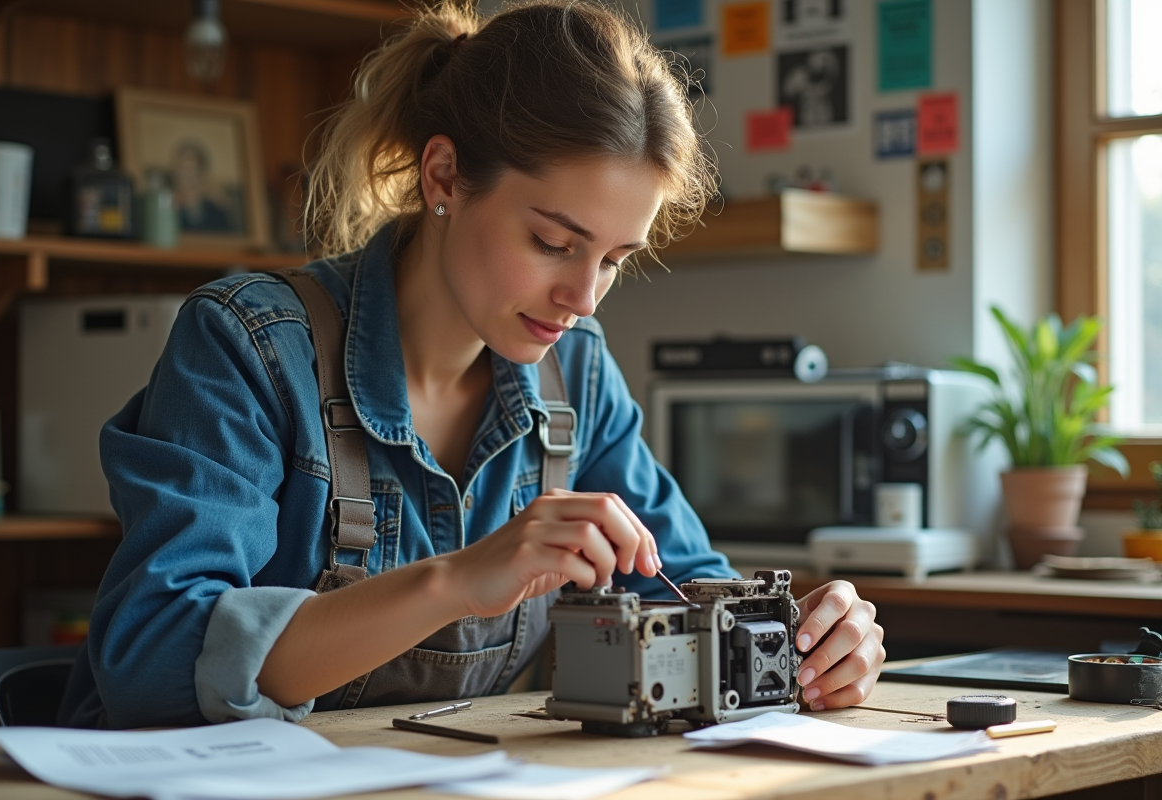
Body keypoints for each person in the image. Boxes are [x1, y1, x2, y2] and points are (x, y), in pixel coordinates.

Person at [59, 0, 884, 729]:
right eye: (554, 243)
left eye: (613, 259)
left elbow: (682, 588)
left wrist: (796, 638)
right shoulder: (248, 345)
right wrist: (458, 579)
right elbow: (151, 659)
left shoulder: (577, 378)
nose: (583, 298)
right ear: (445, 174)